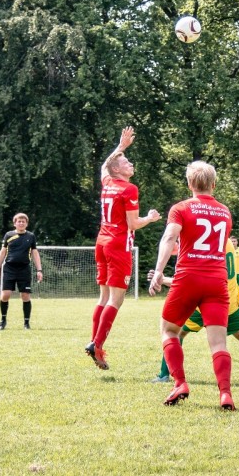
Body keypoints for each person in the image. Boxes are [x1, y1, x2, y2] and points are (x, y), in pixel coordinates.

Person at [149, 160, 234, 409]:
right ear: (214, 184)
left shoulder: (181, 208)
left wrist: (159, 271)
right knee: (219, 342)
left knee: (169, 330)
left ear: (189, 184)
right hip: (217, 280)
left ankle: (180, 383)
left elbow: (170, 237)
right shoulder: (225, 211)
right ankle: (225, 394)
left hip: (188, 277)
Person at [148, 237, 239, 383]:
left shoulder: (205, 246)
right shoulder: (227, 243)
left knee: (175, 333)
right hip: (228, 300)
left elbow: (193, 279)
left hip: (204, 302)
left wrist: (163, 279)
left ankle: (164, 374)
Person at [85, 126, 161, 370]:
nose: (130, 163)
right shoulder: (129, 189)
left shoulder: (108, 182)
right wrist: (150, 218)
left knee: (103, 297)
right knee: (116, 301)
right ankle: (97, 345)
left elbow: (103, 167)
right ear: (117, 169)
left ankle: (93, 341)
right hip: (118, 245)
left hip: (102, 241)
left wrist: (121, 147)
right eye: (126, 161)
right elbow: (133, 224)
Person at [0, 213, 43, 330]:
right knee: (5, 295)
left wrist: (39, 270)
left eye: (23, 221)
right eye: (19, 221)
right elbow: (2, 252)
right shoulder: (8, 235)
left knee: (25, 296)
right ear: (15, 223)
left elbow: (35, 253)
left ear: (26, 223)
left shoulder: (31, 236)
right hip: (9, 268)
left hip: (24, 269)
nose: (21, 223)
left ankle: (26, 323)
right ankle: (3, 320)